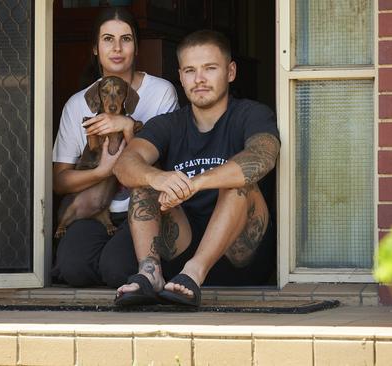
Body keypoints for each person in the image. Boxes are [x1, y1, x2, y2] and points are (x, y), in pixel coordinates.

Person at [112, 30, 280, 307]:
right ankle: (150, 274)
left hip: (240, 256)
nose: (199, 79)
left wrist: (196, 182)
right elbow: (124, 164)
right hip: (181, 245)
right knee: (144, 181)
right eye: (190, 71)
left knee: (238, 181)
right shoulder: (169, 124)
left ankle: (195, 272)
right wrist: (157, 177)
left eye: (210, 69)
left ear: (231, 72)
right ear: (180, 77)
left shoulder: (252, 114)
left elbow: (263, 156)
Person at [51, 7, 179, 288]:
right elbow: (60, 182)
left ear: (137, 46)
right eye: (108, 39)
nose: (117, 48)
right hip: (95, 209)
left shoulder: (161, 92)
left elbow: (163, 165)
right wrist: (103, 171)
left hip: (145, 208)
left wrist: (126, 125)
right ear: (95, 48)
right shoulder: (77, 105)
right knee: (73, 270)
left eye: (126, 39)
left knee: (117, 270)